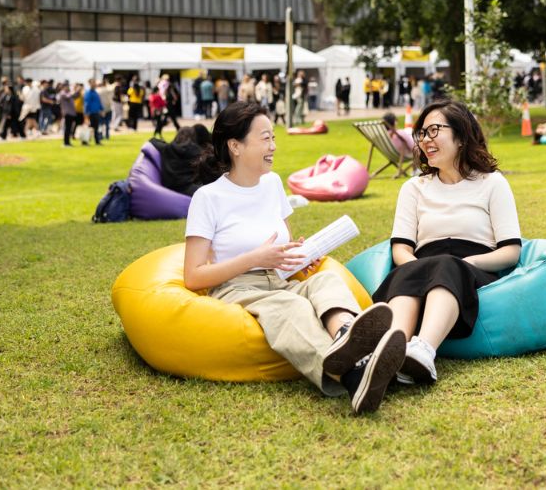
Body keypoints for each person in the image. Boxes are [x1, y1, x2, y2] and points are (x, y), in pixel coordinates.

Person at [184, 101, 406, 414]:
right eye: (264, 138)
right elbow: (193, 275)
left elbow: (285, 243)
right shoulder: (208, 198)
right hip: (237, 287)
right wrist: (255, 257)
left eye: (273, 137)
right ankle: (354, 375)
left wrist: (301, 255)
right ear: (235, 146)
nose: (273, 146)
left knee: (326, 280)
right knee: (292, 307)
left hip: (280, 279)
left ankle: (349, 337)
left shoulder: (273, 184)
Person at [373, 100, 522, 386]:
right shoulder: (414, 188)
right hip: (422, 264)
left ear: (462, 136)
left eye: (434, 131)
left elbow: (511, 251)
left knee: (446, 267)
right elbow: (401, 249)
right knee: (413, 270)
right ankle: (391, 351)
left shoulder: (492, 183)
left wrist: (470, 263)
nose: (425, 141)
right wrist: (419, 268)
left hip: (472, 268)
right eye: (421, 133)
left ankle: (424, 351)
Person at [85, 78, 104, 145]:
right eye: (93, 82)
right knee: (90, 127)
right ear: (90, 84)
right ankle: (85, 140)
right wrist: (86, 113)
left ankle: (97, 141)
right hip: (91, 113)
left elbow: (99, 102)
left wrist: (102, 109)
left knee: (96, 127)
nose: (94, 84)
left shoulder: (95, 93)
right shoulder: (88, 93)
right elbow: (87, 104)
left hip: (96, 112)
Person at [58, 81, 78, 147]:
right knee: (67, 128)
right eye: (67, 86)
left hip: (71, 113)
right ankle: (66, 143)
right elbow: (69, 96)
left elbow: (75, 96)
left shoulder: (68, 93)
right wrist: (75, 90)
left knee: (69, 129)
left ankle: (68, 142)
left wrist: (77, 91)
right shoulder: (62, 93)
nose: (68, 88)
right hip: (67, 113)